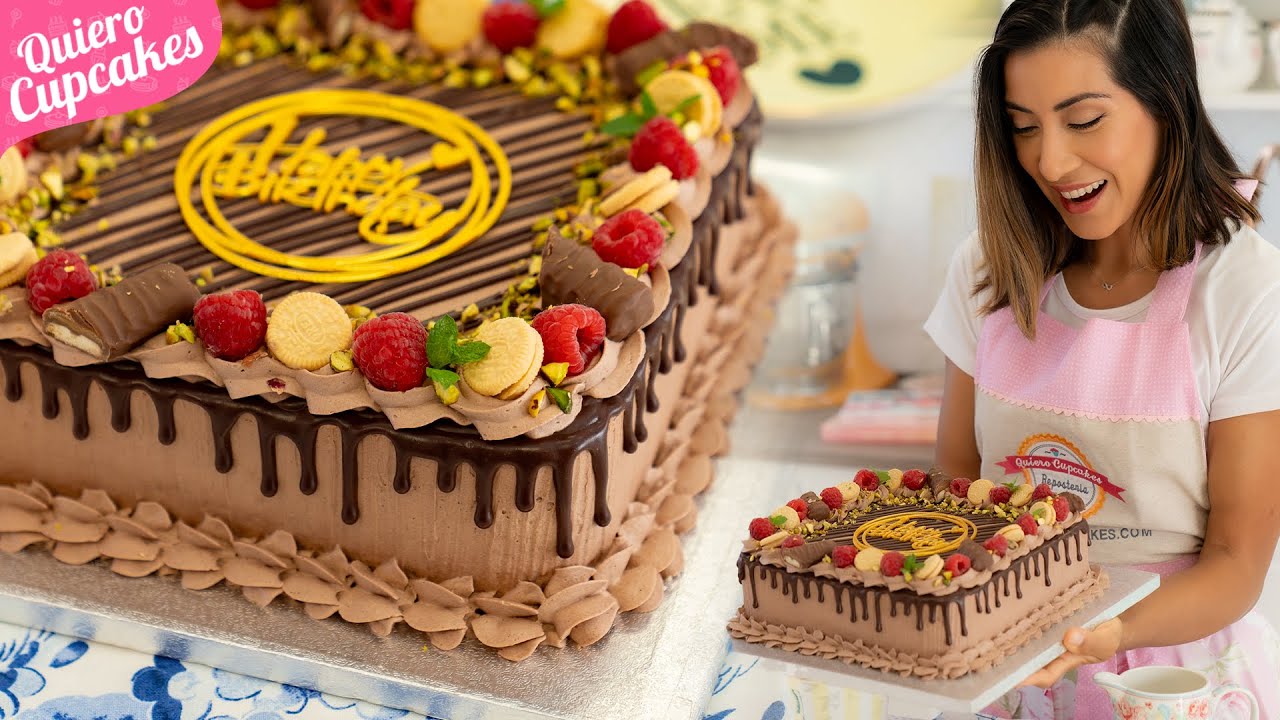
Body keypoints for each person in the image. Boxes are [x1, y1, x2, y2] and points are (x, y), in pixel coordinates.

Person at [924, 0, 1280, 716]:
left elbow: (1237, 565)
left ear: (1165, 100)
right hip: (1007, 663)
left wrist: (1105, 632)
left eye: (1084, 120)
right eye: (1023, 127)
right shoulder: (991, 269)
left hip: (1173, 678)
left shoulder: (1245, 288)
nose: (1049, 161)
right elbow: (955, 483)